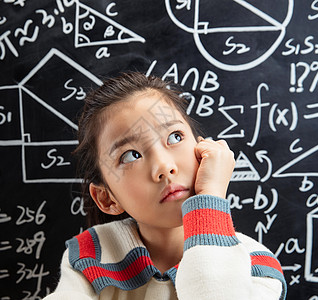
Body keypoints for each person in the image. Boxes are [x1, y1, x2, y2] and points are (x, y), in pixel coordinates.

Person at [43, 72, 287, 300]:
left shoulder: (254, 265)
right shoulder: (92, 255)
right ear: (107, 198)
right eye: (130, 155)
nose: (164, 166)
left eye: (175, 137)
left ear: (204, 149)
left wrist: (210, 197)